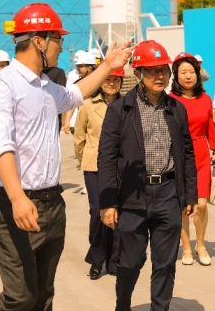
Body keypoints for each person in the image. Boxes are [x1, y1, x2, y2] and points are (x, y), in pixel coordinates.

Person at [0, 2, 134, 311]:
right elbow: (1, 145)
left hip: (52, 203)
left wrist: (108, 65)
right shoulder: (2, 84)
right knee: (19, 297)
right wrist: (17, 198)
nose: (62, 47)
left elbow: (75, 95)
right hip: (16, 204)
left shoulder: (46, 86)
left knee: (43, 295)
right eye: (58, 40)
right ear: (39, 41)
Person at [98, 40, 198, 311]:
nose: (159, 76)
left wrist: (190, 194)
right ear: (138, 73)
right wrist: (108, 202)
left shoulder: (177, 108)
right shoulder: (120, 110)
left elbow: (187, 154)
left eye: (163, 70)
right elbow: (106, 157)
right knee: (130, 261)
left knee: (165, 263)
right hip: (132, 195)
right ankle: (123, 304)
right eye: (152, 71)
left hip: (168, 193)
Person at [74, 65, 125, 280]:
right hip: (94, 167)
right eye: (107, 79)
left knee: (116, 213)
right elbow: (79, 139)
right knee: (98, 211)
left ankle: (114, 259)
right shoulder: (87, 105)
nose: (111, 83)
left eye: (116, 79)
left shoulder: (127, 105)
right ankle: (96, 259)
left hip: (119, 167)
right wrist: (85, 161)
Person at [169, 52, 215, 267]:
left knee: (201, 204)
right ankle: (186, 248)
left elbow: (210, 125)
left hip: (201, 153)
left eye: (192, 72)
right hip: (178, 154)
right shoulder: (170, 100)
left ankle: (200, 244)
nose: (188, 76)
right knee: (183, 204)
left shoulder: (205, 99)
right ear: (176, 75)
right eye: (183, 72)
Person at [63, 51, 97, 134]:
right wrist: (67, 121)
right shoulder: (78, 85)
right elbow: (72, 102)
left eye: (80, 66)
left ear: (89, 68)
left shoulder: (100, 83)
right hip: (82, 124)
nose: (77, 69)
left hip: (97, 124)